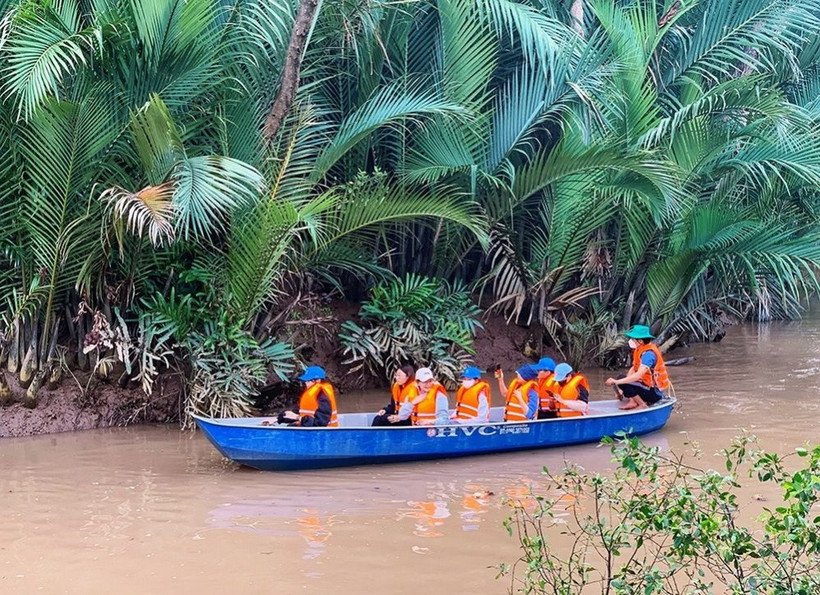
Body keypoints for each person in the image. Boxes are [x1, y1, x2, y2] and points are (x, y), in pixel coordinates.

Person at [605, 325, 670, 410]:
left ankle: (642, 404)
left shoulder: (648, 355)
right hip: (646, 386)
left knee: (621, 380)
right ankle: (633, 401)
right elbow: (633, 368)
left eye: (632, 339)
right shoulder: (639, 349)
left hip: (655, 392)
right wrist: (622, 389)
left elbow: (638, 375)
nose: (630, 341)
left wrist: (617, 382)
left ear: (640, 341)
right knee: (622, 378)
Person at [271, 365, 339, 427]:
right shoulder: (309, 394)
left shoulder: (323, 398)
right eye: (305, 381)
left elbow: (321, 423)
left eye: (308, 381)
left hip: (324, 434)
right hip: (309, 430)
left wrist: (298, 418)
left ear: (318, 380)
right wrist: (277, 419)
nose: (305, 383)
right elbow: (295, 412)